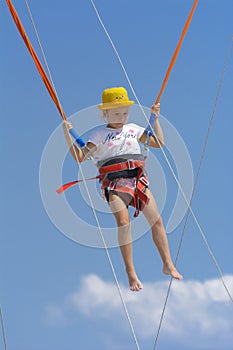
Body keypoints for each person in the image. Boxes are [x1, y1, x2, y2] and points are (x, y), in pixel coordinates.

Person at [63, 87, 182, 291]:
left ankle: (167, 264)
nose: (121, 117)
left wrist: (156, 119)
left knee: (157, 220)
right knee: (123, 222)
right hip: (114, 183)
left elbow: (158, 142)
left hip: (137, 180)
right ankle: (131, 272)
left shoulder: (134, 129)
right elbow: (80, 157)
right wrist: (67, 134)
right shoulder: (99, 134)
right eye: (116, 113)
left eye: (124, 113)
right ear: (105, 114)